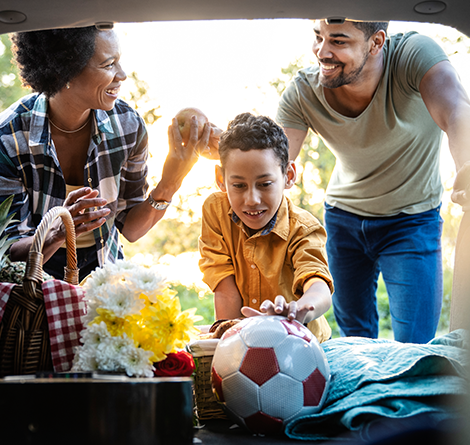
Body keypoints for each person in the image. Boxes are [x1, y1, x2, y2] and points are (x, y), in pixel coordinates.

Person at [276, 19, 470, 343]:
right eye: (318, 37)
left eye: (338, 41)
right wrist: (220, 144)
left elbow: (456, 111)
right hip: (343, 220)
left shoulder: (413, 55)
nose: (322, 51)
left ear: (376, 42)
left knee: (415, 346)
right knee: (356, 341)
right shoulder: (304, 91)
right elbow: (273, 162)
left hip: (412, 220)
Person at [0, 26, 216, 282]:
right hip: (34, 282)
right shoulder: (9, 137)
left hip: (105, 275)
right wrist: (58, 232)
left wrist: (171, 182)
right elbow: (7, 252)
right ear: (65, 69)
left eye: (119, 61)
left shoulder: (127, 125)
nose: (122, 75)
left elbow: (132, 229)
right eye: (108, 64)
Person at [198, 113, 333, 342]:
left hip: (302, 344)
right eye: (239, 185)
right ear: (221, 178)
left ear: (288, 176)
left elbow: (318, 286)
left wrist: (298, 310)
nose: (252, 199)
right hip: (246, 340)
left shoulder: (303, 228)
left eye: (265, 184)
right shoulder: (215, 210)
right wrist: (231, 340)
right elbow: (224, 286)